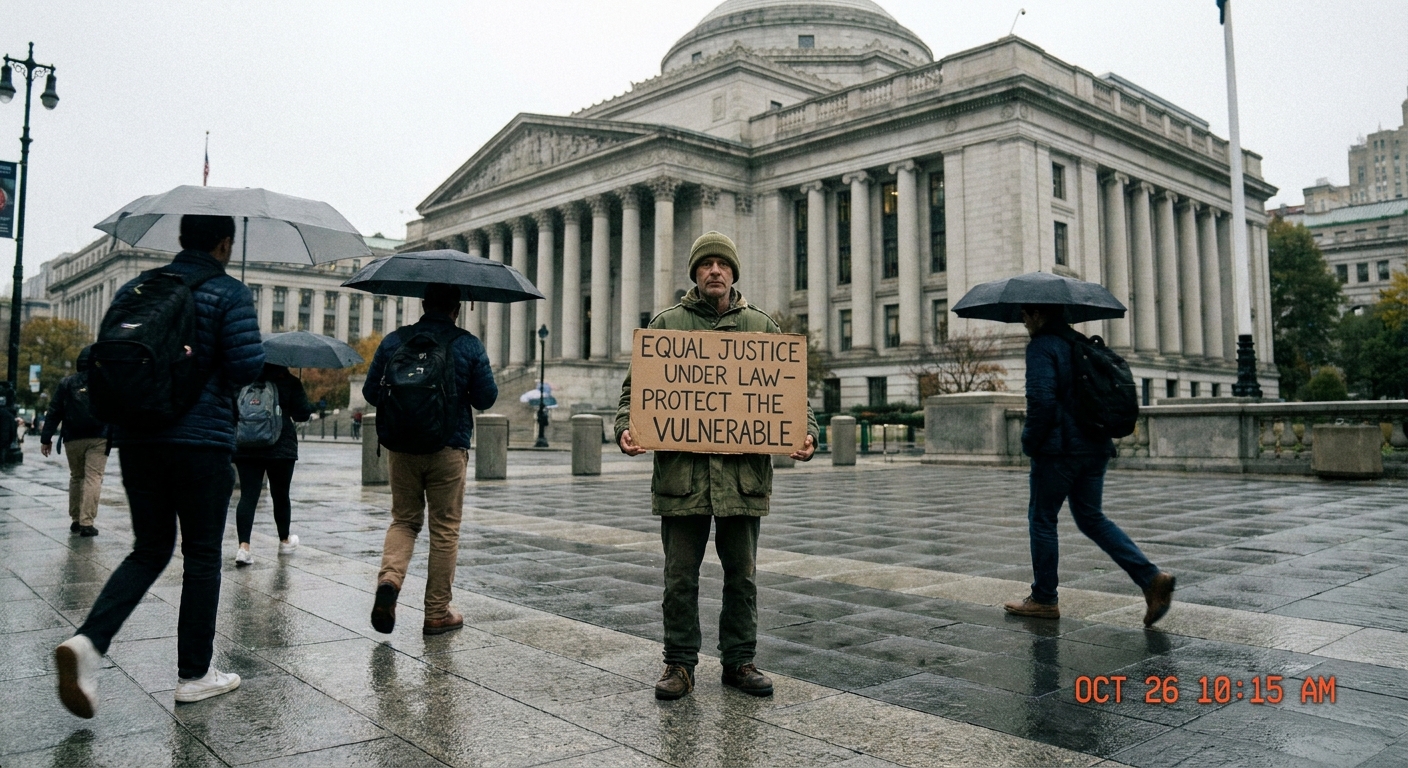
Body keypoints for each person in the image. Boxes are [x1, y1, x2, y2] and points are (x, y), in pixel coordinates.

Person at [54, 214, 264, 718]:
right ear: (224, 244)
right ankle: (194, 674)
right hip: (202, 441)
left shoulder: (137, 287)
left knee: (148, 550)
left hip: (140, 436)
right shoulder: (228, 292)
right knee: (201, 557)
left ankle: (88, 642)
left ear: (179, 239)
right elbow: (245, 367)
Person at [615, 231, 818, 701]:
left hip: (742, 480)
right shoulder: (666, 326)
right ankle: (679, 665)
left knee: (742, 578)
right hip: (682, 480)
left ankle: (739, 661)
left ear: (733, 272)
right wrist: (626, 426)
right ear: (694, 272)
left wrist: (806, 433)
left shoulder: (762, 327)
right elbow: (634, 395)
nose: (714, 271)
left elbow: (792, 399)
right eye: (705, 264)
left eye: (722, 265)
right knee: (679, 579)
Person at [1002, 304, 1175, 626]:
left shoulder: (1042, 346)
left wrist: (1029, 444)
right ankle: (1150, 578)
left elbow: (1041, 400)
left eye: (1025, 313)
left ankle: (1043, 598)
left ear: (1040, 314)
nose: (1023, 319)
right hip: (1095, 447)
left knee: (1042, 519)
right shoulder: (1080, 343)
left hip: (1059, 451)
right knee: (1091, 517)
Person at [363, 283, 496, 636]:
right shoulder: (467, 343)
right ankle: (437, 612)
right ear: (458, 307)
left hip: (402, 448)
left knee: (404, 520)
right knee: (444, 529)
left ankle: (389, 582)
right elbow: (486, 398)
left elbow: (370, 392)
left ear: (424, 304)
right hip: (448, 448)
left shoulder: (395, 341)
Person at [233, 363, 314, 566]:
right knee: (280, 495)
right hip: (281, 447)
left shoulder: (244, 380)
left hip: (246, 446)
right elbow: (302, 414)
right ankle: (284, 541)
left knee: (248, 496)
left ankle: (244, 547)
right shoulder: (289, 381)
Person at [40, 346, 109, 537]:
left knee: (76, 477)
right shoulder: (104, 382)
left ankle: (76, 519)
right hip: (99, 436)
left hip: (72, 437)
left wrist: (46, 439)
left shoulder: (66, 383)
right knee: (93, 477)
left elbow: (54, 411)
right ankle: (87, 523)